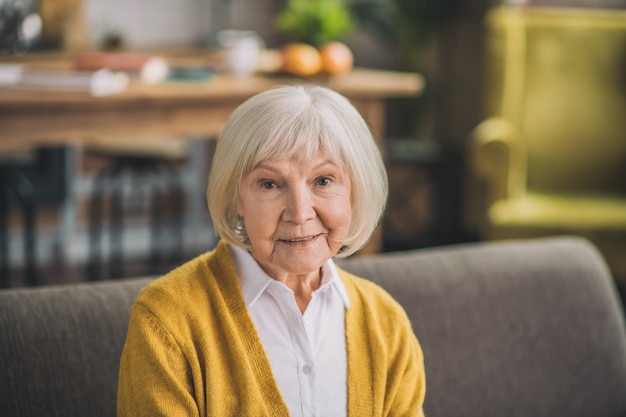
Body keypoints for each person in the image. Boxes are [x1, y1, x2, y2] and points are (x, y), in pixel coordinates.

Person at [117, 85, 426, 416]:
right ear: (236, 197)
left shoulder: (386, 322)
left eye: (323, 181)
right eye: (270, 184)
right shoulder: (167, 321)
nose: (300, 212)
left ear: (354, 190)